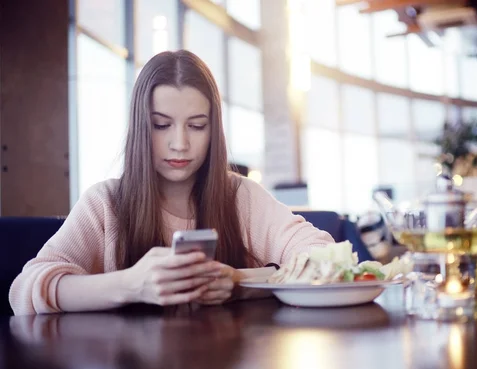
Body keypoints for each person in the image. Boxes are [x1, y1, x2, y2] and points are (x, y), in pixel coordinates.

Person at [9, 50, 334, 315]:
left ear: (213, 131)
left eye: (196, 126)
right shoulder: (105, 203)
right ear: (141, 127)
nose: (179, 143)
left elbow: (324, 254)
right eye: (161, 125)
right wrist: (131, 284)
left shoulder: (241, 196)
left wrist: (239, 282)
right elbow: (24, 290)